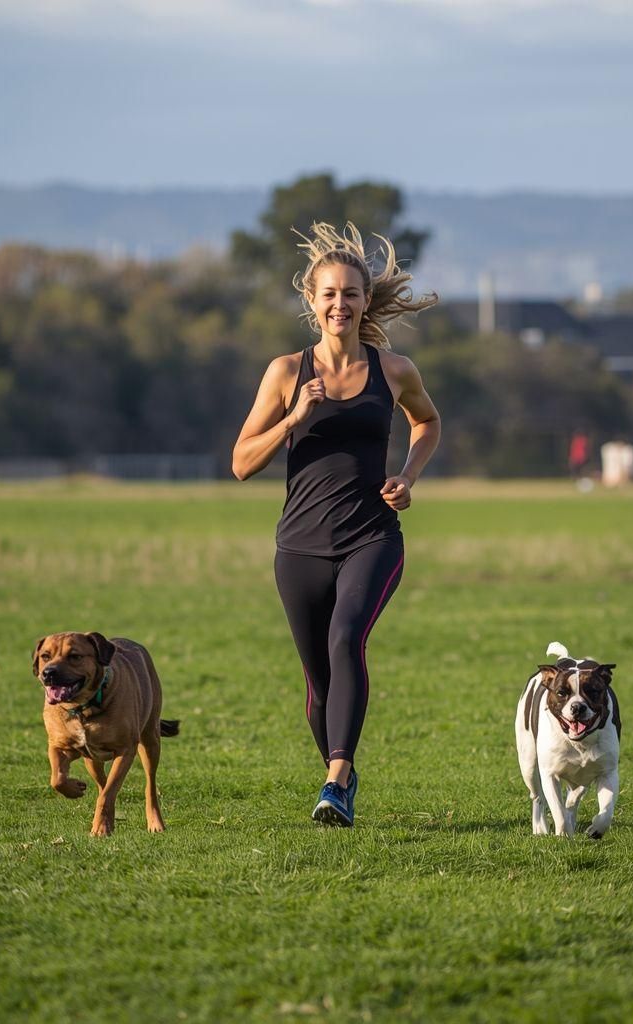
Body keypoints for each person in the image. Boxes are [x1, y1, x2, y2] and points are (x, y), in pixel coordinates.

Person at [232, 222, 441, 827]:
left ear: (365, 301)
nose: (340, 304)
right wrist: (295, 416)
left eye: (351, 293)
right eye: (329, 294)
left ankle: (336, 779)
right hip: (298, 546)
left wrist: (407, 476)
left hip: (372, 536)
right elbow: (242, 463)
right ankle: (340, 776)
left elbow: (427, 424)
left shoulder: (394, 369)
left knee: (347, 637)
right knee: (319, 678)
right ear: (311, 301)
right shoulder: (285, 371)